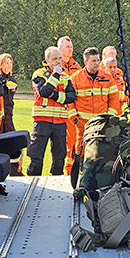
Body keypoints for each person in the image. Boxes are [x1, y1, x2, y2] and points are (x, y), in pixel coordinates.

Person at [26, 46, 77, 176]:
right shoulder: (39, 74)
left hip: (60, 122)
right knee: (36, 156)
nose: (58, 61)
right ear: (47, 60)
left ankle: (57, 182)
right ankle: (32, 181)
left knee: (59, 158)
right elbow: (43, 91)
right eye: (55, 59)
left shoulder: (65, 76)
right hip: (42, 121)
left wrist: (54, 96)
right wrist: (55, 75)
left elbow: (72, 97)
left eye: (60, 58)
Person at [69, 47, 121, 164]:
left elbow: (114, 99)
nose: (97, 63)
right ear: (86, 62)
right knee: (81, 154)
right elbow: (69, 102)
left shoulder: (107, 78)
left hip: (102, 124)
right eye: (93, 61)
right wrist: (76, 120)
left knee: (102, 155)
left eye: (98, 60)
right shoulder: (76, 78)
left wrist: (109, 118)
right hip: (83, 125)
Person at [57, 36, 82, 169]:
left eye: (71, 46)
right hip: (59, 110)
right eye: (67, 46)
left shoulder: (76, 66)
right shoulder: (56, 65)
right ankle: (64, 170)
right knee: (62, 144)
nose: (70, 49)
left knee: (75, 141)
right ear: (60, 49)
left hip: (73, 111)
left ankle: (72, 170)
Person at [0, 53, 18, 134]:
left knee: (12, 137)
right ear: (0, 64)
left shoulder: (13, 81)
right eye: (7, 63)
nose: (9, 65)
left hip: (8, 115)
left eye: (10, 63)